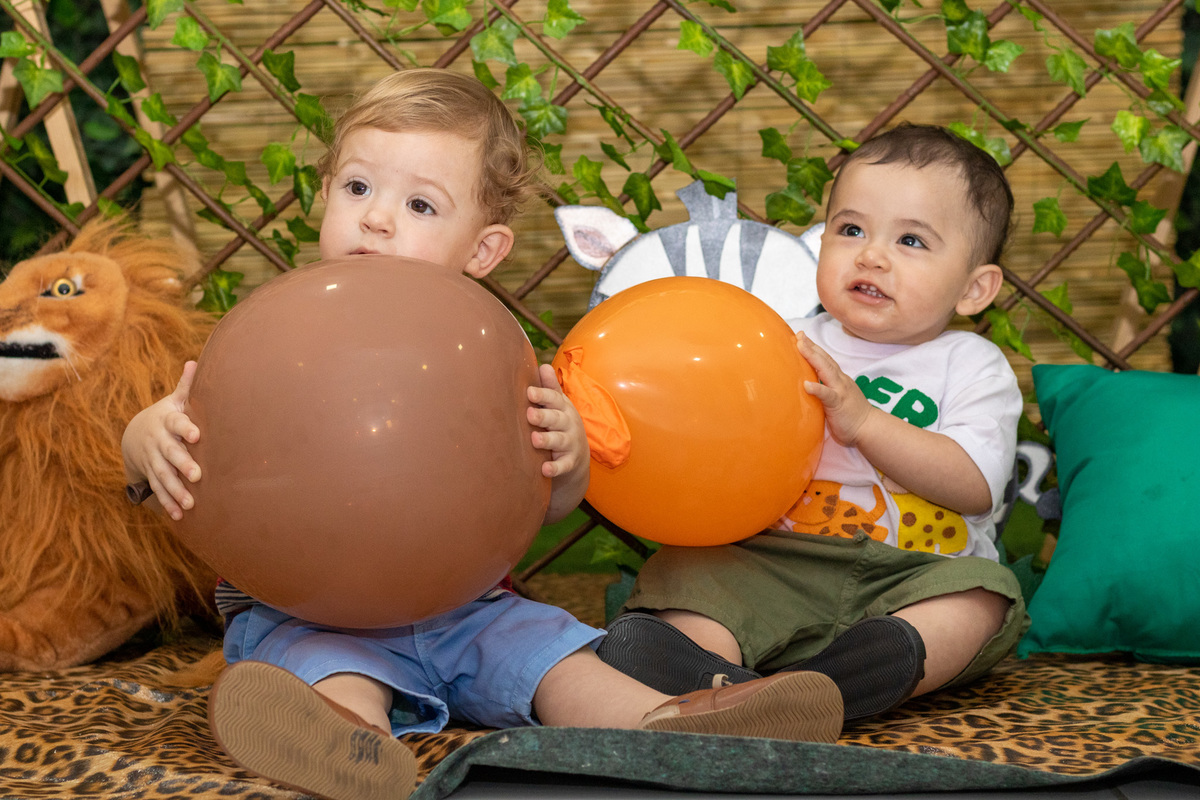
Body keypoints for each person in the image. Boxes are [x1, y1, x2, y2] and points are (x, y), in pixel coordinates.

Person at [121, 69, 844, 800]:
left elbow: (541, 506)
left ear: (484, 250)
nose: (376, 219)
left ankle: (664, 722)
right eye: (358, 188)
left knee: (550, 655)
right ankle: (346, 740)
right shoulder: (276, 335)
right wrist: (143, 439)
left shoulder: (493, 359)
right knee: (322, 667)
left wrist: (565, 463)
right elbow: (189, 441)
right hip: (310, 607)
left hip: (469, 608)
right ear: (325, 195)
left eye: (420, 204)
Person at [598, 122, 1029, 725]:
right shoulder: (781, 341)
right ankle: (713, 683)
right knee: (692, 573)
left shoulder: (971, 364)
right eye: (851, 230)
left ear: (975, 288)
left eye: (911, 241)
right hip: (776, 560)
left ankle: (841, 682)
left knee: (984, 595)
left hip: (911, 574)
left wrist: (864, 423)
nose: (871, 254)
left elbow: (973, 485)